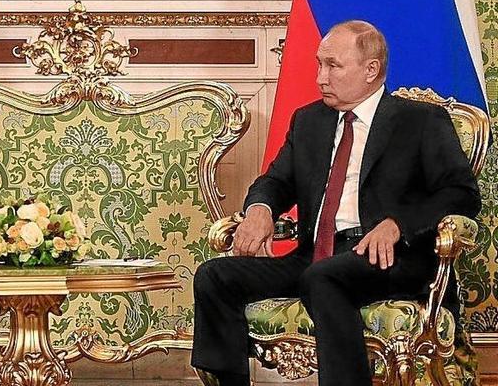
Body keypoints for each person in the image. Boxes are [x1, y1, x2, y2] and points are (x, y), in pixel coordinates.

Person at [191, 20, 481, 386]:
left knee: (322, 277)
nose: (320, 77)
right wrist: (260, 209)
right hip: (316, 255)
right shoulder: (309, 120)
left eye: (333, 65)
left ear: (371, 70)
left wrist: (397, 224)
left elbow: (461, 193)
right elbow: (276, 181)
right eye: (318, 64)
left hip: (389, 259)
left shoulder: (420, 121)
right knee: (215, 276)